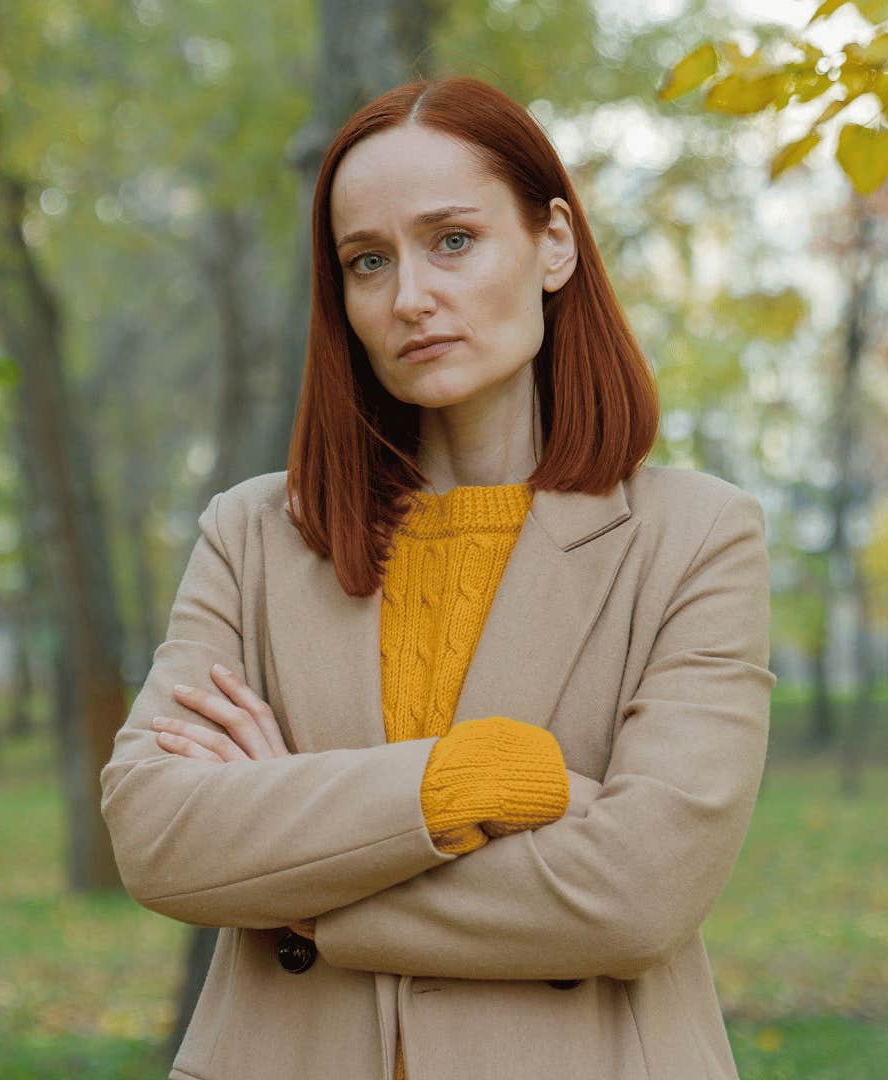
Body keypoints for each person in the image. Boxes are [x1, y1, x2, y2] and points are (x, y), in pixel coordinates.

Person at [99, 74, 774, 1080]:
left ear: (553, 243)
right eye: (368, 262)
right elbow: (157, 835)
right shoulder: (253, 534)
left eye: (453, 241)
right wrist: (470, 783)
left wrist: (291, 871)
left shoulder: (696, 536)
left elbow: (637, 894)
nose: (410, 298)